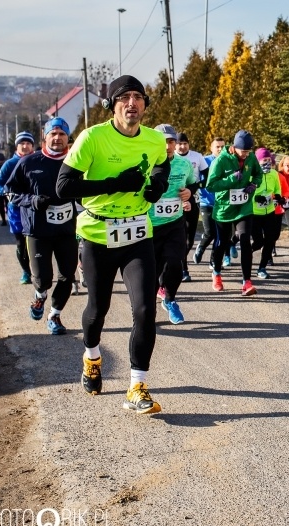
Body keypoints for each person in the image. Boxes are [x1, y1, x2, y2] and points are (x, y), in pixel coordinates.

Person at [56, 74, 170, 415]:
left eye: (138, 97)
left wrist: (158, 186)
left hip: (137, 232)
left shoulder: (154, 139)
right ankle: (92, 357)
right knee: (98, 309)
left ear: (145, 105)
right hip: (97, 234)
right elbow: (63, 186)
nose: (131, 103)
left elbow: (162, 167)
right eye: (124, 98)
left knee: (145, 310)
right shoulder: (93, 138)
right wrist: (113, 184)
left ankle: (137, 386)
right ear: (112, 105)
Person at [4, 118, 78, 335]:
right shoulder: (29, 162)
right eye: (53, 134)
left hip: (66, 230)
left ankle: (54, 315)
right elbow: (9, 191)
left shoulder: (76, 161)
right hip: (38, 231)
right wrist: (32, 200)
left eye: (62, 134)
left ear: (68, 137)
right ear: (44, 137)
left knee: (67, 275)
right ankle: (40, 295)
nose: (57, 138)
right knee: (43, 279)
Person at [205, 130, 262, 295]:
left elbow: (258, 174)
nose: (245, 154)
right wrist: (231, 179)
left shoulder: (251, 158)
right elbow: (210, 185)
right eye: (243, 151)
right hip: (224, 207)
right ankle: (216, 273)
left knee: (245, 240)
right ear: (234, 147)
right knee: (222, 242)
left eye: (248, 151)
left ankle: (247, 282)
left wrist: (254, 184)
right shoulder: (221, 160)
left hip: (244, 207)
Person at [152, 124, 197, 324]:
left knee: (175, 264)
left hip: (174, 222)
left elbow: (192, 184)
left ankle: (170, 300)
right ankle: (147, 308)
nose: (167, 146)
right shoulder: (145, 163)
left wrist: (189, 193)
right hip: (150, 225)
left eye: (171, 142)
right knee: (152, 270)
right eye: (163, 142)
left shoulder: (183, 164)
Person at [0, 132, 35, 283]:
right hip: (16, 209)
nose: (25, 146)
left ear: (32, 145)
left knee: (38, 242)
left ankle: (40, 271)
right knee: (21, 244)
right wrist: (5, 192)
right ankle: (26, 272)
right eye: (21, 143)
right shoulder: (9, 164)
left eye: (28, 143)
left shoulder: (38, 160)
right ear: (17, 146)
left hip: (35, 208)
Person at [175, 132, 208, 282]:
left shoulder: (197, 157)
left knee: (189, 240)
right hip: (175, 201)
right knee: (179, 237)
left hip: (193, 199)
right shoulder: (170, 158)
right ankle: (183, 268)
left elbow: (207, 175)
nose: (182, 147)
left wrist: (196, 187)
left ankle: (179, 259)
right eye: (179, 144)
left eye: (185, 143)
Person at [250, 147, 283, 279]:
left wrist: (279, 197)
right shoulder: (252, 174)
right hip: (254, 213)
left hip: (269, 211)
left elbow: (277, 189)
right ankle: (247, 251)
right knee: (258, 242)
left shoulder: (274, 173)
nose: (268, 162)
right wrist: (256, 197)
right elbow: (246, 191)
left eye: (269, 160)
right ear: (257, 161)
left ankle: (262, 268)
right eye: (264, 160)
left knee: (270, 239)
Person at [194, 137, 224, 268]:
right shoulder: (205, 161)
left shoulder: (227, 162)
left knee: (219, 235)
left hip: (222, 204)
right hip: (206, 202)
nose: (220, 149)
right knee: (210, 232)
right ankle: (201, 247)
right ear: (211, 148)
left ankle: (214, 261)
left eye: (222, 146)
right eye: (217, 146)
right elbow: (199, 180)